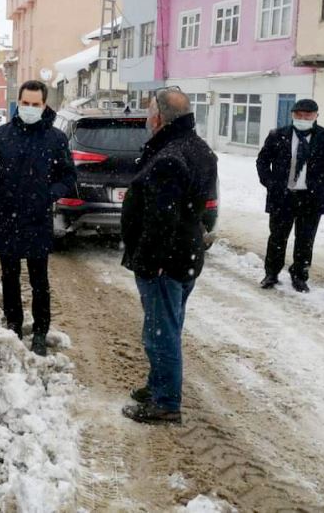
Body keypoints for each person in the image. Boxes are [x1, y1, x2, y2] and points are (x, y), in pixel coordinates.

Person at [120, 88, 218, 425]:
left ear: (160, 116)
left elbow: (162, 219)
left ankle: (165, 403)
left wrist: (150, 260)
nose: (147, 117)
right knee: (166, 326)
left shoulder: (170, 157)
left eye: (149, 111)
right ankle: (158, 384)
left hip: (166, 260)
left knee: (161, 332)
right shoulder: (198, 148)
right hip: (185, 254)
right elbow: (203, 207)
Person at [0, 80, 75, 356]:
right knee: (9, 277)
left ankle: (40, 332)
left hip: (38, 219)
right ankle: (14, 325)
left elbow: (68, 177)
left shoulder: (55, 139)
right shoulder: (3, 134)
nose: (29, 109)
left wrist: (48, 194)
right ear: (18, 103)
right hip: (7, 216)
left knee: (39, 281)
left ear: (44, 105)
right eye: (24, 104)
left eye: (35, 104)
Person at [256, 99, 324, 293]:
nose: (302, 118)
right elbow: (262, 161)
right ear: (292, 115)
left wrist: (322, 185)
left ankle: (300, 276)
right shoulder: (277, 135)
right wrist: (271, 183)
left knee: (305, 240)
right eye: (298, 115)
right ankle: (271, 274)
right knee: (277, 237)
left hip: (311, 198)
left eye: (307, 115)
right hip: (282, 197)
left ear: (316, 116)